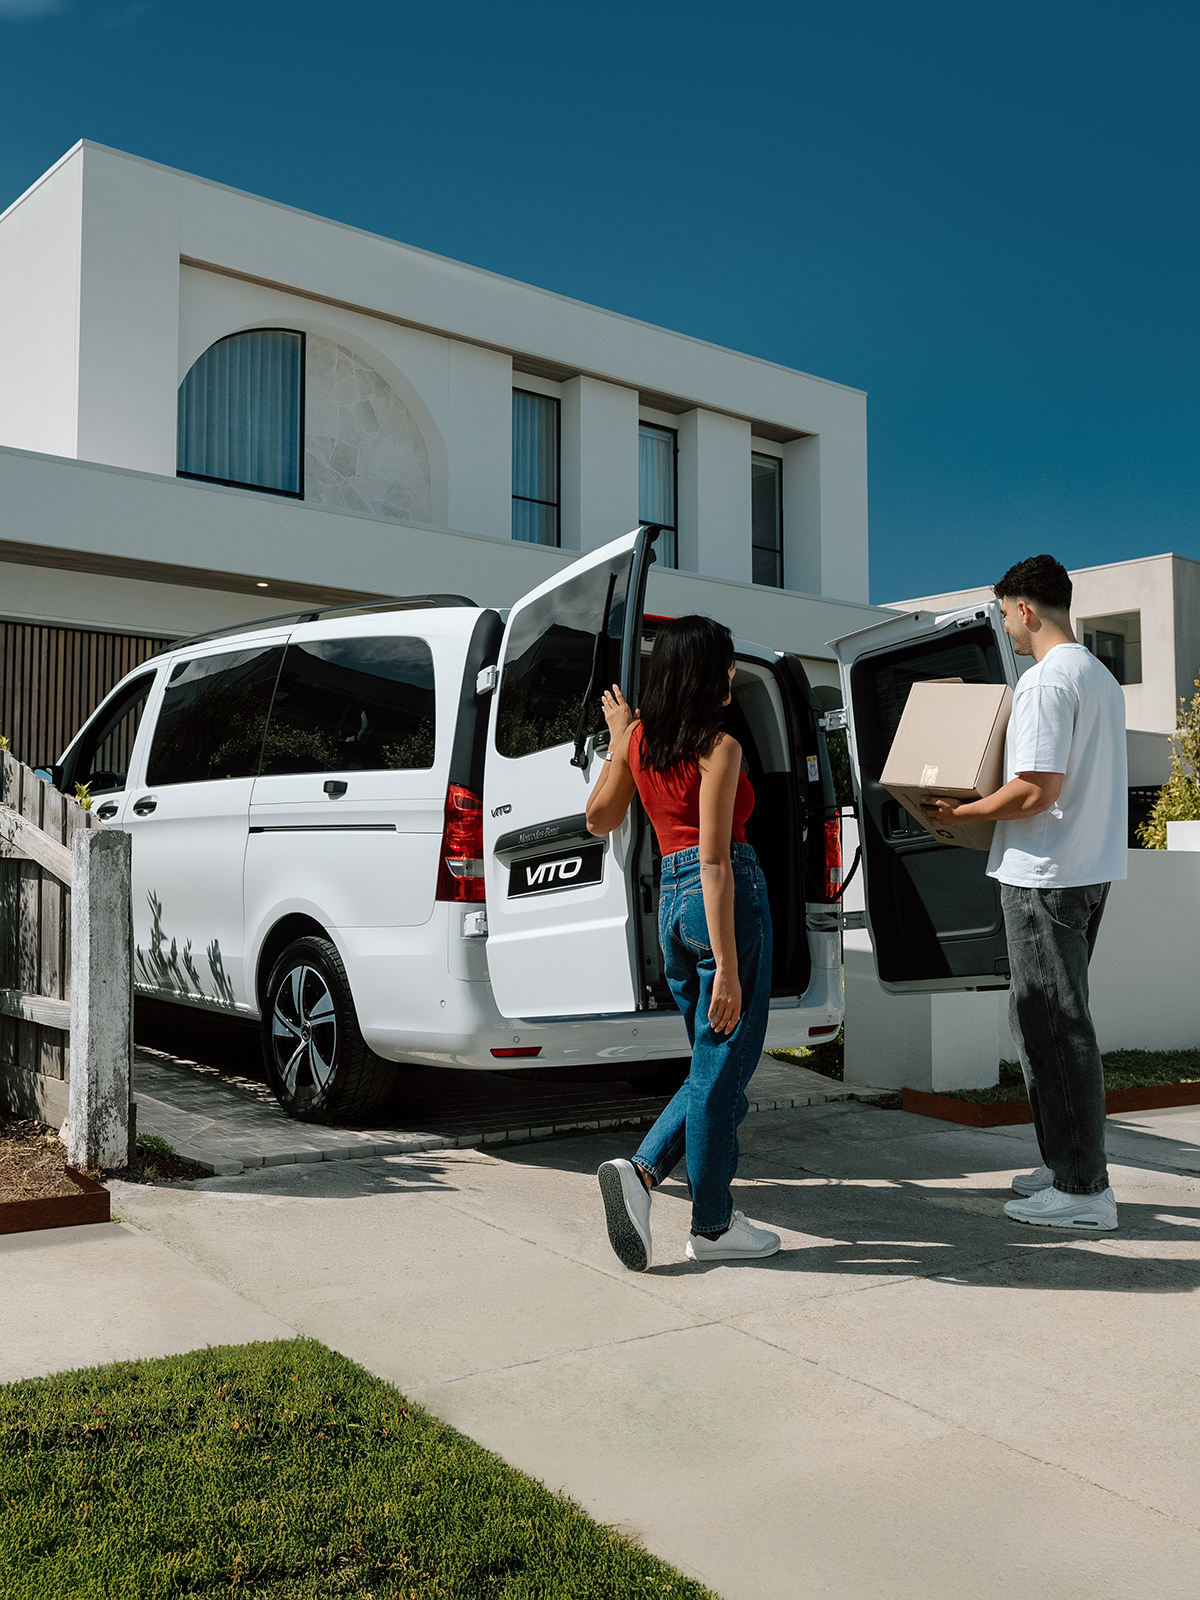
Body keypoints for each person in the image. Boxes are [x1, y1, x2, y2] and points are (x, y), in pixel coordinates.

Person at [921, 554, 1127, 1231]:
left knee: (1055, 1029)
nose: (1005, 627)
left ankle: (1083, 1191)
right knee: (1049, 1022)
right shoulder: (1099, 677)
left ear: (1025, 609)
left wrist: (961, 814)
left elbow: (1037, 789)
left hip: (1045, 876)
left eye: (1005, 614)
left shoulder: (1044, 681)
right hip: (1087, 871)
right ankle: (1065, 1161)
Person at [585, 615, 779, 1270]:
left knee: (712, 1068)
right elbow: (717, 859)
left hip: (669, 902)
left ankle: (664, 1190)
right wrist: (727, 965)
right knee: (722, 1069)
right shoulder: (719, 747)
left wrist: (619, 741)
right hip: (723, 900)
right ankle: (705, 1220)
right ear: (704, 672)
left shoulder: (639, 740)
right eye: (726, 663)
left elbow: (598, 818)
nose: (731, 673)